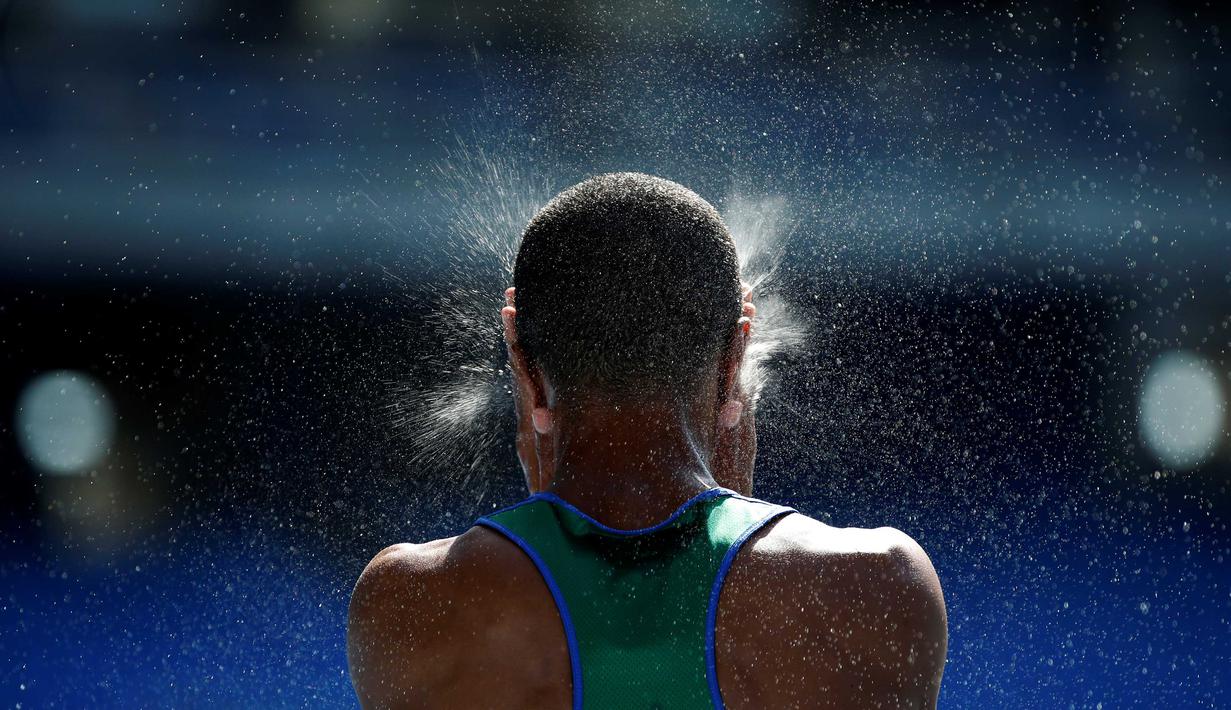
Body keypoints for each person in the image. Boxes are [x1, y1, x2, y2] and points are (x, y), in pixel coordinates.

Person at [347, 173, 947, 709]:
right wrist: (736, 510)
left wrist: (542, 513)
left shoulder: (407, 602)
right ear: (735, 354)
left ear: (523, 364)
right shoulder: (874, 587)